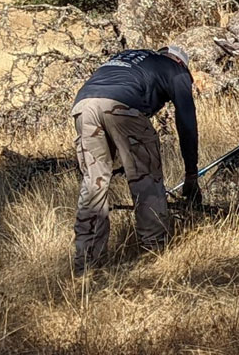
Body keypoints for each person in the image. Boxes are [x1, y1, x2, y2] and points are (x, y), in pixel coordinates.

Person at [70, 45, 200, 276]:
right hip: (122, 105)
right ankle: (154, 255)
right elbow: (187, 122)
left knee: (94, 183)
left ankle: (86, 265)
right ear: (181, 63)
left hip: (83, 105)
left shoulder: (130, 58)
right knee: (145, 179)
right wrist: (191, 172)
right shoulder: (177, 70)